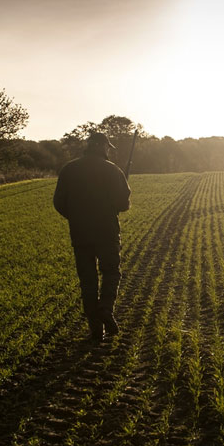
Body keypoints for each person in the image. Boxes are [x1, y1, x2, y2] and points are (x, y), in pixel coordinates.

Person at [54, 132, 131, 341]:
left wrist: (77, 217)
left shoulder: (69, 170)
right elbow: (123, 205)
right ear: (104, 147)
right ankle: (106, 308)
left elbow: (59, 203)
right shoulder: (113, 170)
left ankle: (95, 328)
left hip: (80, 234)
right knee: (111, 273)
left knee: (87, 280)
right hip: (107, 232)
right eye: (108, 147)